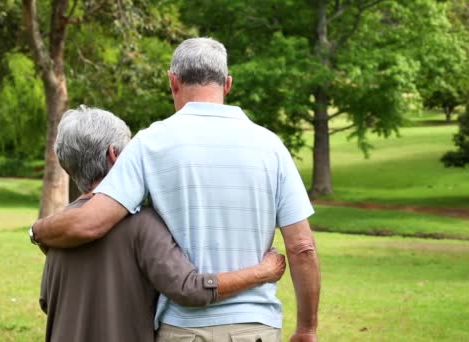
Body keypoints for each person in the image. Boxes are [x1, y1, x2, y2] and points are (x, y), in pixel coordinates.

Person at [31, 37, 321, 342]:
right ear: (228, 84)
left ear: (173, 81)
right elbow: (302, 247)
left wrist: (38, 232)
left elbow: (92, 220)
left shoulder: (150, 143)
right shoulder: (271, 147)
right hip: (255, 326)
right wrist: (306, 329)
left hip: (183, 330)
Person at [39, 106, 287, 342]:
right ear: (114, 155)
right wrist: (262, 272)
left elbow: (47, 302)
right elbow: (189, 288)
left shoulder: (58, 230)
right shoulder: (140, 224)